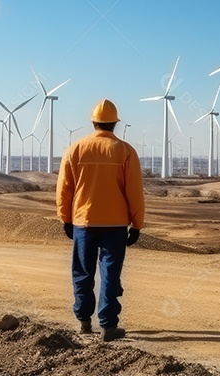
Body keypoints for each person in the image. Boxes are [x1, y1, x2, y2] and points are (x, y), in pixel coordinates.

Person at [57, 98, 145, 342]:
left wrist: (65, 218)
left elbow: (64, 188)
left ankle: (84, 321)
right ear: (115, 124)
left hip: (83, 222)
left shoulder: (75, 149)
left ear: (93, 122)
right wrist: (137, 224)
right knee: (110, 272)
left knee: (83, 271)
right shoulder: (126, 151)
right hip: (115, 225)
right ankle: (108, 325)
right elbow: (134, 191)